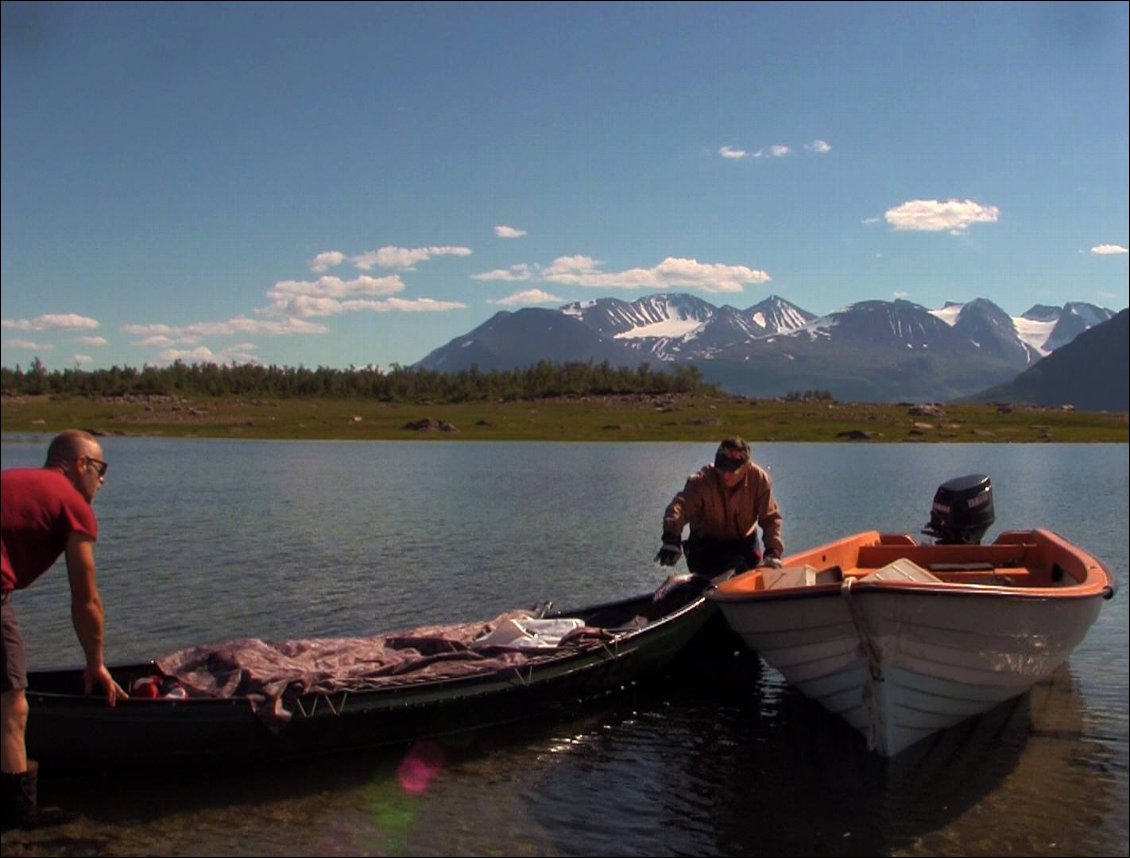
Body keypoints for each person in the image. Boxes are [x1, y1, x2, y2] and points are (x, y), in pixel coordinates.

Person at [1, 430, 126, 830]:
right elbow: (85, 598)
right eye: (100, 469)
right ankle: (19, 813)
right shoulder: (74, 505)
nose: (102, 480)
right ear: (81, 465)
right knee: (11, 706)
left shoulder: (14, 480)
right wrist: (95, 662)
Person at [657, 437, 784, 578]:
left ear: (747, 467)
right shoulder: (701, 480)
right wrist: (671, 538)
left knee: (744, 568)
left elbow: (770, 518)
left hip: (744, 545)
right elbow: (679, 507)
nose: (725, 474)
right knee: (712, 578)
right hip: (706, 548)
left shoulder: (759, 480)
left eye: (732, 470)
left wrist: (773, 551)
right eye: (721, 467)